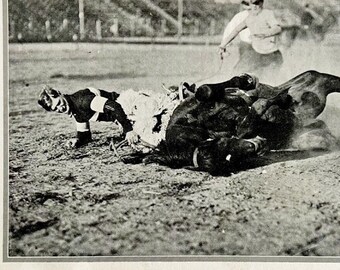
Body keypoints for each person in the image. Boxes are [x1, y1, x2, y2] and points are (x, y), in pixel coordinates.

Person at [38, 85, 185, 149]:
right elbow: (85, 136)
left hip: (129, 105)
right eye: (55, 109)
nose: (60, 108)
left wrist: (128, 130)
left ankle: (177, 97)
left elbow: (113, 106)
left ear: (59, 93)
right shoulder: (75, 111)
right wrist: (77, 141)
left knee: (149, 141)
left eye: (58, 103)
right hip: (124, 113)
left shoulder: (81, 101)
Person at [219, 0, 283, 80]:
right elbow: (236, 30)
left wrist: (266, 34)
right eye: (252, 3)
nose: (255, 6)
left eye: (257, 3)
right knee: (237, 74)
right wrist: (223, 44)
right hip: (255, 53)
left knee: (269, 80)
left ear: (262, 3)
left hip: (271, 55)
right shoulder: (248, 18)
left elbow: (277, 28)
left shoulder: (267, 14)